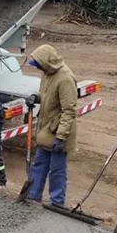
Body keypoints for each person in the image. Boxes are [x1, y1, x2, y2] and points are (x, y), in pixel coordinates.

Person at [26, 45, 78, 206]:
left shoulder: (65, 78)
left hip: (58, 133)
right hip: (46, 130)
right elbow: (47, 96)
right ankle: (33, 196)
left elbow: (69, 111)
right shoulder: (47, 74)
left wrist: (61, 137)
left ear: (46, 62)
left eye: (40, 65)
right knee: (39, 164)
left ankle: (57, 202)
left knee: (57, 171)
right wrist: (36, 97)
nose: (39, 68)